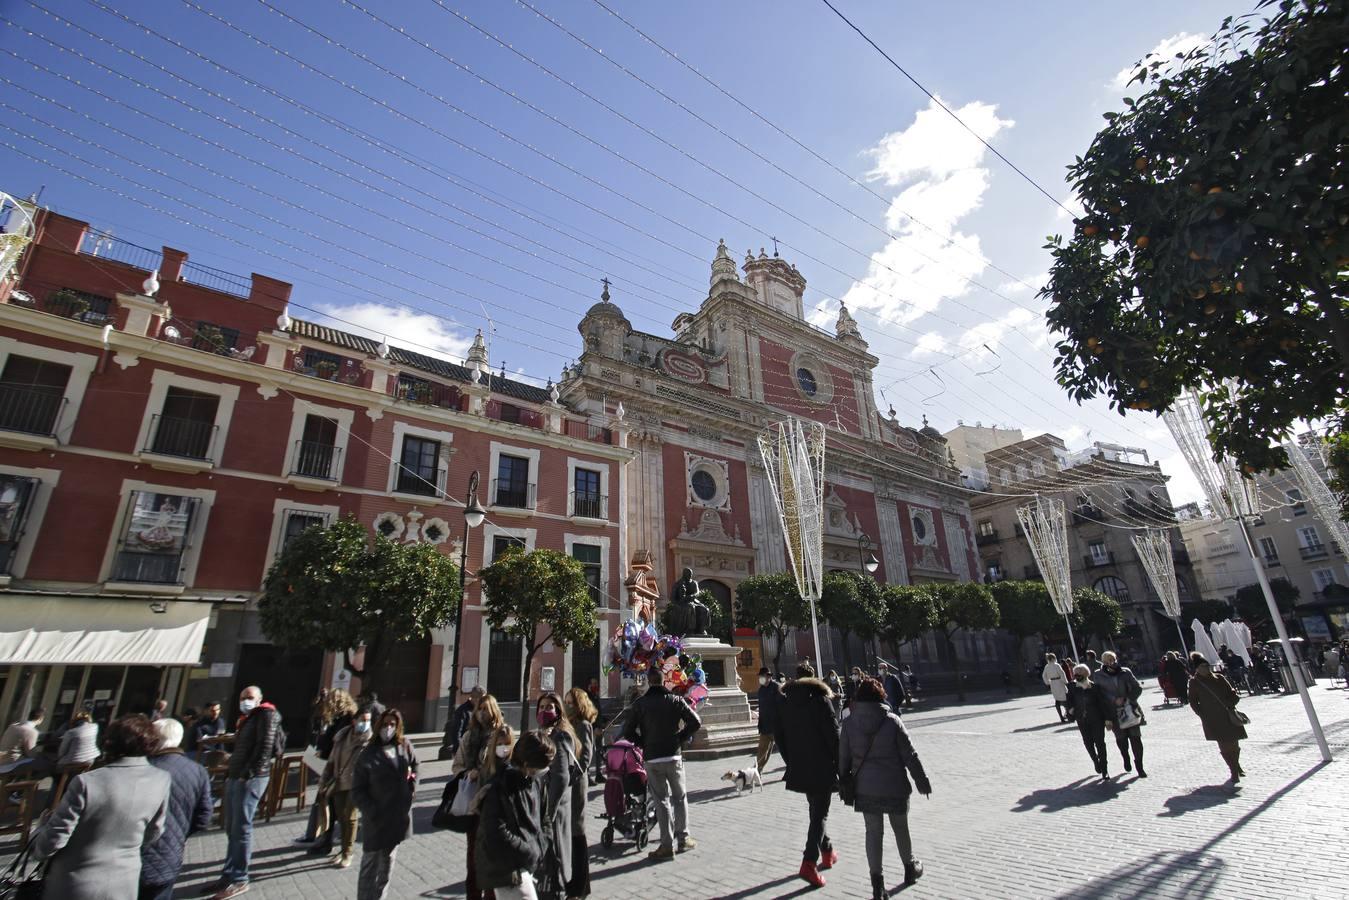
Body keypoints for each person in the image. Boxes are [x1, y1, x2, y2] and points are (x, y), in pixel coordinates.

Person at [30, 715, 170, 900]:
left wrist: (39, 834)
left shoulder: (87, 782)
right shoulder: (161, 779)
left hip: (75, 882)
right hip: (125, 882)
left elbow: (54, 839)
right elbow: (154, 831)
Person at [839, 676, 930, 898]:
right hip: (894, 786)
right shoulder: (892, 721)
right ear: (882, 696)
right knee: (900, 827)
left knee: (873, 832)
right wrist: (922, 781)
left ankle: (877, 886)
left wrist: (844, 782)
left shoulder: (849, 725)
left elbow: (843, 760)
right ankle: (910, 868)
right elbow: (910, 756)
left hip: (865, 788)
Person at [210, 685, 283, 899]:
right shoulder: (248, 718)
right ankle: (228, 873)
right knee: (232, 827)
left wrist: (247, 773)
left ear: (259, 699)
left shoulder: (266, 715)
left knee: (241, 827)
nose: (245, 701)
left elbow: (265, 746)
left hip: (250, 777)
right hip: (236, 775)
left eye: (250, 697)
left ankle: (240, 878)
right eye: (243, 697)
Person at [621, 666, 702, 861]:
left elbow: (628, 731)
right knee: (680, 797)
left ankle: (666, 845)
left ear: (649, 681)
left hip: (652, 758)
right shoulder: (675, 700)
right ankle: (684, 838)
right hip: (673, 756)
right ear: (664, 680)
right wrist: (679, 738)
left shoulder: (641, 704)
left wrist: (643, 743)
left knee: (661, 800)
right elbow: (696, 722)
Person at [775, 662, 840, 889]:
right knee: (819, 813)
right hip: (822, 765)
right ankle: (809, 862)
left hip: (799, 766)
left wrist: (791, 760)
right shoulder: (821, 700)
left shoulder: (785, 702)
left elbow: (779, 736)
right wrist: (842, 765)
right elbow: (834, 736)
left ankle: (828, 850)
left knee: (816, 810)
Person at [477, 730, 556, 900]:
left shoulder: (536, 782)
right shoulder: (500, 786)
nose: (544, 771)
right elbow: (496, 831)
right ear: (527, 764)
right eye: (541, 766)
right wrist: (530, 851)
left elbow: (545, 819)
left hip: (527, 863)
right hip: (507, 870)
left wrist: (541, 845)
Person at [140, 718, 213, 900]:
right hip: (169, 855)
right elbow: (204, 816)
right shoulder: (197, 771)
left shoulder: (141, 769)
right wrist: (180, 833)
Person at [351, 707, 419, 900]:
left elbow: (416, 766)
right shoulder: (368, 753)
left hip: (397, 818)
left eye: (393, 725)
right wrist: (371, 811)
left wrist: (412, 785)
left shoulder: (404, 746)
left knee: (387, 866)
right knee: (370, 865)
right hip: (376, 820)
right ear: (378, 725)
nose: (388, 728)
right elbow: (357, 791)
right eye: (386, 724)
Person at [452, 693, 505, 899]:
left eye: (486, 708)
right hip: (472, 804)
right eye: (480, 709)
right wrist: (466, 774)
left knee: (492, 855)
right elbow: (457, 766)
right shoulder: (468, 737)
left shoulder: (502, 736)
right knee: (473, 857)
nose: (483, 713)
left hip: (495, 804)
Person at [300, 689, 359, 853]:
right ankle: (324, 839)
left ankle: (339, 845)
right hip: (332, 768)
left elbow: (341, 744)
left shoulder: (347, 720)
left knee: (337, 810)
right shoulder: (337, 719)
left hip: (340, 770)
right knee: (329, 808)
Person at [321, 702, 377, 869]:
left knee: (351, 816)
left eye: (368, 720)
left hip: (358, 784)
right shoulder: (341, 737)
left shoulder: (370, 740)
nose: (365, 723)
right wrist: (325, 779)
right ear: (354, 720)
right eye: (362, 719)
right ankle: (342, 849)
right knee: (340, 816)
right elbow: (331, 760)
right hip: (339, 781)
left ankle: (348, 852)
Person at [533, 692, 577, 897]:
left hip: (554, 808)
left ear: (559, 711)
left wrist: (548, 812)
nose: (544, 711)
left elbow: (560, 778)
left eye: (549, 707)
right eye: (541, 707)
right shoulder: (540, 733)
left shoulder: (560, 736)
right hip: (543, 805)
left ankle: (558, 891)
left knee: (555, 858)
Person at [1187, 653, 1248, 784]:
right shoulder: (1194, 682)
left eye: (1207, 665)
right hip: (1213, 719)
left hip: (1228, 714)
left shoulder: (1219, 678)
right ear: (1197, 668)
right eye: (1203, 666)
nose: (1206, 668)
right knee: (1224, 745)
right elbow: (1193, 702)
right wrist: (1203, 715)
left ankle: (1236, 765)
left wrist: (1231, 703)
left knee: (1234, 743)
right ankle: (1233, 771)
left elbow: (1233, 693)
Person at [563, 687, 598, 899]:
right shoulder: (569, 724)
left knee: (577, 832)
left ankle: (581, 885)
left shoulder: (583, 725)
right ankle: (575, 882)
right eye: (566, 701)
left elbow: (586, 757)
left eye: (570, 702)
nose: (566, 705)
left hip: (576, 784)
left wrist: (573, 776)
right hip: (567, 783)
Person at [1092, 651, 1146, 778]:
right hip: (1113, 712)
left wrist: (1127, 698)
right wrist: (1113, 699)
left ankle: (1140, 766)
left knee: (1136, 738)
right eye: (1107, 660)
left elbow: (1137, 687)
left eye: (1112, 659)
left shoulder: (1125, 672)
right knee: (1121, 740)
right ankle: (1125, 756)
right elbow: (1099, 693)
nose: (1111, 662)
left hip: (1130, 709)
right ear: (1103, 662)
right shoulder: (1098, 675)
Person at [1067, 664, 1113, 780]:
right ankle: (1095, 760)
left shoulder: (1094, 687)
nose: (1076, 676)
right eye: (1075, 674)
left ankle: (1105, 769)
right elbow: (1069, 701)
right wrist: (1071, 709)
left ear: (1085, 674)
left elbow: (1102, 703)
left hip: (1097, 719)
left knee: (1100, 743)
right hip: (1082, 720)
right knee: (1088, 742)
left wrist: (1107, 718)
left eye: (1079, 674)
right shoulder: (1072, 687)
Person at [442, 684, 485, 762]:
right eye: (482, 699)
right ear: (475, 698)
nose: (484, 701)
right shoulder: (463, 711)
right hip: (466, 749)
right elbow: (456, 732)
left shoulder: (481, 709)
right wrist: (460, 750)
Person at [756, 667, 785, 772]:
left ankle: (793, 768)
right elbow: (762, 708)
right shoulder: (761, 690)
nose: (760, 679)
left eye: (762, 676)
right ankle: (757, 770)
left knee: (784, 750)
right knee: (762, 750)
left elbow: (783, 705)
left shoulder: (777, 687)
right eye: (760, 677)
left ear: (768, 677)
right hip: (765, 726)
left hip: (777, 725)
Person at [1042, 653, 1070, 723]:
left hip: (1053, 683)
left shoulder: (1047, 666)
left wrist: (1048, 682)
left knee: (1057, 699)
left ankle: (1061, 717)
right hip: (1059, 682)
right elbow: (1062, 673)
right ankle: (1068, 715)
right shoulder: (1056, 665)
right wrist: (1065, 681)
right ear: (1053, 658)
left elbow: (1044, 675)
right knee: (1065, 698)